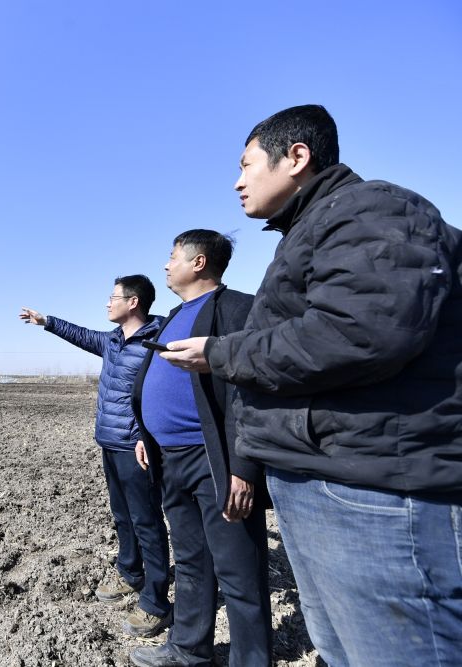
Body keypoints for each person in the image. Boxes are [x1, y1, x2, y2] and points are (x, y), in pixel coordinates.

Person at [163, 104, 462, 667]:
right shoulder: (314, 229)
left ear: (296, 157)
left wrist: (223, 353)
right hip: (328, 479)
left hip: (375, 494)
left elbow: (360, 332)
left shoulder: (371, 210)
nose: (237, 181)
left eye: (247, 164)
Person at [129, 230, 272, 667]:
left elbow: (253, 395)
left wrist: (243, 468)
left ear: (198, 262)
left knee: (239, 571)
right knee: (191, 561)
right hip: (169, 459)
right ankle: (189, 649)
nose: (165, 265)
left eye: (172, 256)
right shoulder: (174, 314)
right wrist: (146, 433)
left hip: (215, 461)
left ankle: (251, 660)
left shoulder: (238, 309)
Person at [19, 275, 172, 634]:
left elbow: (163, 395)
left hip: (137, 450)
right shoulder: (114, 341)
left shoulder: (158, 342)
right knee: (122, 516)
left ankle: (156, 601)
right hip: (109, 442)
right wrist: (47, 322)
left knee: (147, 522)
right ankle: (130, 573)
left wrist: (147, 438)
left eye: (113, 297)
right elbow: (83, 335)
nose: (107, 303)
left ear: (133, 302)